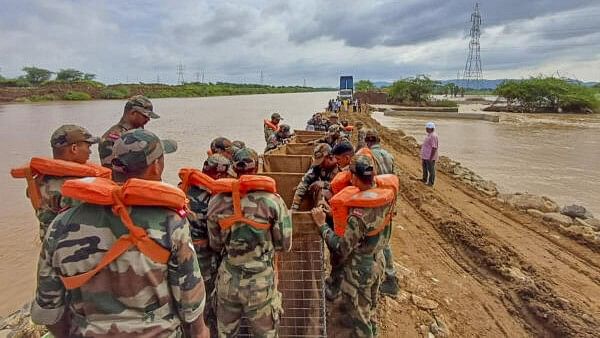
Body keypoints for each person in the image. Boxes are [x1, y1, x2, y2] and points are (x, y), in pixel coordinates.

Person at [31, 129, 208, 338]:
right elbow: (190, 302)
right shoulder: (171, 222)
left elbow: (48, 310)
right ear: (156, 165)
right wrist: (200, 332)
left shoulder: (61, 224)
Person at [207, 147, 292, 337]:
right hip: (260, 283)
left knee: (225, 334)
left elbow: (215, 244)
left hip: (228, 280)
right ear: (258, 167)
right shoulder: (272, 201)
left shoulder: (217, 201)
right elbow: (284, 244)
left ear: (234, 170)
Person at [310, 155, 396, 337]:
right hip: (378, 260)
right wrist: (334, 215)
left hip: (360, 270)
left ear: (355, 178)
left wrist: (322, 225)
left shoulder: (359, 215)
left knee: (360, 314)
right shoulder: (385, 196)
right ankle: (373, 331)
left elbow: (341, 247)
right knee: (370, 305)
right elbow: (369, 229)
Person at [10, 124, 104, 241]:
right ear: (74, 148)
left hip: (49, 243)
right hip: (70, 246)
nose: (90, 152)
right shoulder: (73, 187)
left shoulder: (40, 179)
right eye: (88, 146)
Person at [179, 154, 235, 337]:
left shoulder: (182, 190)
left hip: (179, 254)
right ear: (219, 175)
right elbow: (215, 237)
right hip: (203, 258)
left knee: (185, 300)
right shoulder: (213, 198)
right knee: (206, 300)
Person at [363, 129, 400, 296]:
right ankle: (390, 276)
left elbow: (367, 182)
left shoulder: (368, 156)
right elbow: (395, 179)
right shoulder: (389, 155)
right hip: (389, 201)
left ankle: (388, 277)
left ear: (367, 142)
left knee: (378, 240)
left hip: (376, 202)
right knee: (385, 238)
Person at [98, 95, 158, 168]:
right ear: (133, 113)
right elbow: (112, 172)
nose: (148, 120)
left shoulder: (139, 132)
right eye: (145, 116)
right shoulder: (110, 138)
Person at [291, 143, 339, 210]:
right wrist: (295, 206)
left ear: (330, 157)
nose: (320, 165)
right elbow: (305, 182)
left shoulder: (341, 165)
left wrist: (324, 184)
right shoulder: (318, 167)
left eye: (322, 162)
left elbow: (343, 189)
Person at [421, 121, 439, 186]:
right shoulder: (429, 135)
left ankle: (431, 183)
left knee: (431, 170)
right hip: (425, 156)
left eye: (427, 128)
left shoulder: (433, 136)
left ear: (431, 129)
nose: (426, 129)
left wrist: (431, 158)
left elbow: (434, 148)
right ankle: (424, 179)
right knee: (425, 168)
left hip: (429, 157)